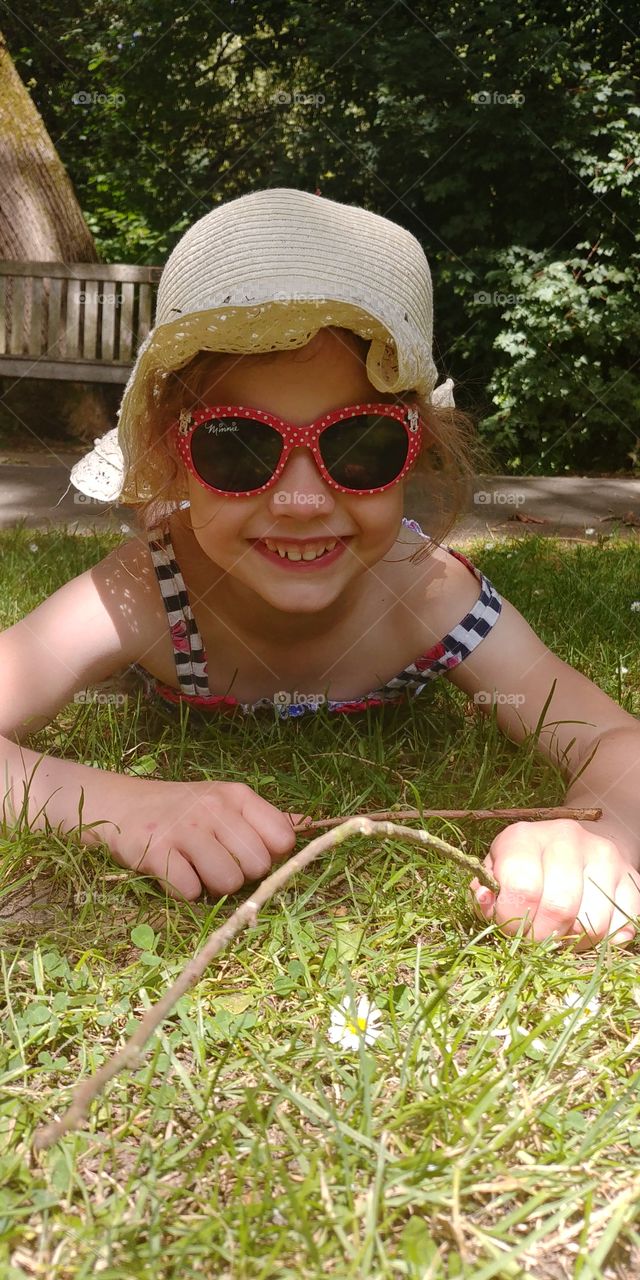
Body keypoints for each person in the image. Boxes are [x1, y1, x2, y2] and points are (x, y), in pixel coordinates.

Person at [1, 188, 638, 952]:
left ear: (416, 450)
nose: (302, 500)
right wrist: (116, 805)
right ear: (176, 455)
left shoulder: (428, 593)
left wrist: (600, 831)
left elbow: (612, 739)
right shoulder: (145, 592)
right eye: (236, 446)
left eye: (356, 445)